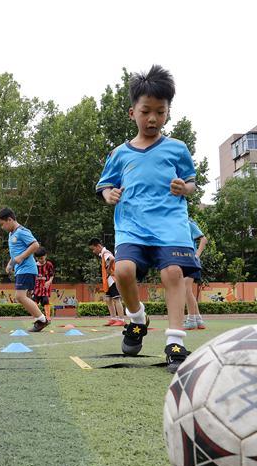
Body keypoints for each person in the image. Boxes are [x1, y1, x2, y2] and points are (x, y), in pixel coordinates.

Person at [95, 65, 200, 373]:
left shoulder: (177, 149)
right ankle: (137, 318)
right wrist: (108, 194)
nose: (153, 118)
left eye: (160, 111)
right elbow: (104, 184)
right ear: (132, 113)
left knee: (172, 274)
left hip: (170, 224)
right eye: (146, 111)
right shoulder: (120, 154)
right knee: (124, 271)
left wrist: (185, 187)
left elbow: (192, 183)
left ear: (168, 112)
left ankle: (175, 340)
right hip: (132, 224)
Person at [0, 207, 49, 332]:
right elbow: (15, 253)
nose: (2, 227)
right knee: (23, 297)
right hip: (20, 269)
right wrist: (10, 264)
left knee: (20, 296)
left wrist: (21, 257)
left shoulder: (22, 231)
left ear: (10, 220)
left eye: (3, 224)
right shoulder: (11, 234)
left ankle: (42, 319)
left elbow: (35, 245)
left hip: (27, 269)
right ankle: (39, 320)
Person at [88, 238, 123, 326]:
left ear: (98, 246)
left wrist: (108, 269)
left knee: (116, 299)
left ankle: (121, 319)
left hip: (112, 279)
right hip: (108, 281)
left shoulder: (105, 252)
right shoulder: (102, 254)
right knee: (108, 299)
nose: (93, 251)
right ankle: (113, 319)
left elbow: (112, 259)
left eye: (93, 249)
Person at [183, 218, 207, 330]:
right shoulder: (178, 223)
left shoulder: (188, 223)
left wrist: (197, 255)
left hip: (190, 260)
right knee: (188, 291)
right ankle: (198, 319)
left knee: (186, 290)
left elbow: (204, 239)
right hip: (184, 259)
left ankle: (191, 319)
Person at [33, 248, 55, 322]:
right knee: (34, 302)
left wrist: (49, 281)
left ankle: (48, 317)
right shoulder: (34, 265)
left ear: (45, 256)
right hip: (36, 288)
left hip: (45, 288)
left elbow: (52, 275)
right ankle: (37, 316)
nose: (40, 260)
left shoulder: (49, 264)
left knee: (45, 300)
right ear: (36, 258)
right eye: (38, 258)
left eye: (42, 258)